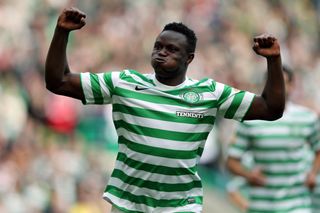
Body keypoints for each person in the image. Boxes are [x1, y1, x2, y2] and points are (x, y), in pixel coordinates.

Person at [45, 7, 285, 213]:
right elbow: (59, 81)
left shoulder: (209, 93)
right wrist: (62, 32)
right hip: (128, 204)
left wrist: (274, 61)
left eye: (171, 49)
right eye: (158, 46)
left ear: (188, 59)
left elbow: (270, 109)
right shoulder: (124, 83)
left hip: (180, 206)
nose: (161, 52)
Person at [226, 66, 320, 213]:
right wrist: (249, 175)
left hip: (297, 203)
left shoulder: (307, 117)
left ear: (292, 85)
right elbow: (231, 161)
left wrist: (313, 174)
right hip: (262, 205)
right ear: (265, 85)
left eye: (283, 82)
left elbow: (318, 149)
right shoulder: (250, 119)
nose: (279, 86)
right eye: (273, 82)